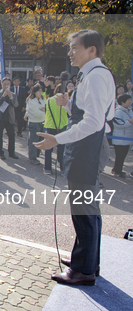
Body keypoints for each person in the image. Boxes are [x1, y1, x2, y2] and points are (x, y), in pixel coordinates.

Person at [35, 29, 114, 286]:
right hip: (84, 147)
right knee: (85, 207)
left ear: (91, 50)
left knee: (84, 209)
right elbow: (89, 114)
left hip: (87, 149)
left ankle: (84, 270)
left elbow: (94, 122)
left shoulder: (96, 76)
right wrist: (68, 104)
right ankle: (86, 259)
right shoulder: (90, 74)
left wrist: (57, 139)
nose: (70, 53)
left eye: (74, 48)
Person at [41, 84, 69, 175]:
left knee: (48, 148)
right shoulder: (66, 102)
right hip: (62, 125)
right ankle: (62, 169)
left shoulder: (49, 100)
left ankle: (47, 168)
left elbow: (47, 112)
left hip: (50, 125)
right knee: (61, 149)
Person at [0, 77, 19, 160]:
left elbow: (16, 105)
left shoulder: (13, 94)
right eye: (5, 84)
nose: (6, 85)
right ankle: (1, 153)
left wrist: (11, 97)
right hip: (0, 118)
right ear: (2, 84)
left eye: (8, 84)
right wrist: (3, 96)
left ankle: (11, 152)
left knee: (12, 135)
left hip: (9, 117)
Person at [111, 94, 133, 178]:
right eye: (129, 100)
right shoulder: (118, 111)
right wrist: (130, 122)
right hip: (120, 138)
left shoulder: (129, 110)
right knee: (120, 155)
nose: (130, 102)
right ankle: (117, 171)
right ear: (122, 102)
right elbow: (118, 125)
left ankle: (117, 169)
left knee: (123, 155)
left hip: (127, 137)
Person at [24, 85, 46, 165]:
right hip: (34, 122)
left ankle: (36, 155)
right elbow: (35, 113)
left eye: (41, 91)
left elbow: (46, 108)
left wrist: (42, 110)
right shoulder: (31, 100)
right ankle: (32, 157)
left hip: (42, 122)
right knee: (33, 140)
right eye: (39, 91)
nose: (40, 93)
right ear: (34, 92)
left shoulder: (42, 99)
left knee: (40, 139)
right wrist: (42, 110)